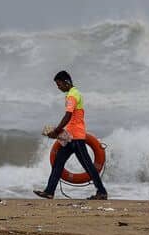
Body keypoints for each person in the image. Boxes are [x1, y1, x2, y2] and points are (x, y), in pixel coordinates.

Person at [33, 70, 108, 200]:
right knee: (58, 164)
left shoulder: (72, 95)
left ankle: (101, 192)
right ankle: (49, 191)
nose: (58, 87)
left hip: (77, 138)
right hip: (69, 137)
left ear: (67, 82)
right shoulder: (73, 94)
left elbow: (68, 116)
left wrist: (56, 130)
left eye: (59, 84)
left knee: (88, 165)